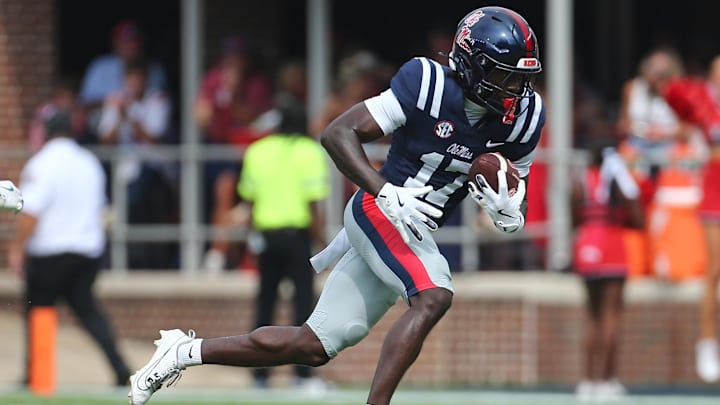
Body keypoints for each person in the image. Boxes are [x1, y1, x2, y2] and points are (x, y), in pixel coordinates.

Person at [128, 7, 545, 405]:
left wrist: (507, 214)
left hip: (414, 231)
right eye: (504, 78)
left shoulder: (525, 118)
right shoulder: (427, 83)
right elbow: (337, 133)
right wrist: (384, 190)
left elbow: (511, 201)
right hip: (377, 209)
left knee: (312, 345)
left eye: (520, 80)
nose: (515, 92)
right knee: (433, 295)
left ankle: (184, 351)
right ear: (472, 65)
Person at [8, 108, 131, 386]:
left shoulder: (42, 163)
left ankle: (36, 375)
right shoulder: (89, 161)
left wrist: (17, 249)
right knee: (88, 313)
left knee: (38, 310)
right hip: (87, 252)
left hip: (50, 253)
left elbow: (30, 212)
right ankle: (121, 369)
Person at [237, 92, 330, 390]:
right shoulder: (309, 151)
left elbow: (249, 204)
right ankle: (302, 377)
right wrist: (325, 244)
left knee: (265, 305)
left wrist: (253, 237)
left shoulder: (257, 150)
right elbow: (314, 207)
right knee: (304, 306)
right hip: (297, 237)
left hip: (267, 236)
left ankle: (259, 375)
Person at [571, 140, 644, 401]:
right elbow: (639, 219)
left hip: (587, 244)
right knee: (611, 315)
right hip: (612, 244)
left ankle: (588, 380)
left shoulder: (580, 180)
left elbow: (574, 216)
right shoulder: (618, 181)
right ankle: (607, 380)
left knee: (592, 316)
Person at [195, 34, 273, 272]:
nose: (235, 62)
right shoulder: (213, 79)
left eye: (239, 57)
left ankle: (246, 256)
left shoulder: (256, 84)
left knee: (248, 200)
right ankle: (218, 254)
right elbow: (201, 120)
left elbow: (251, 118)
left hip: (251, 154)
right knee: (224, 189)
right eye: (231, 57)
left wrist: (235, 95)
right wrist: (217, 98)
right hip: (220, 151)